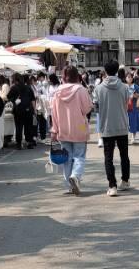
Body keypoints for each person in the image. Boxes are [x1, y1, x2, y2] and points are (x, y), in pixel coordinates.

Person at [50, 66, 93, 196]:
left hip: (63, 129)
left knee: (66, 158)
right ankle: (76, 176)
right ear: (76, 76)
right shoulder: (81, 90)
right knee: (79, 155)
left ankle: (69, 185)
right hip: (79, 127)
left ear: (63, 76)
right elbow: (87, 109)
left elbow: (54, 113)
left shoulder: (57, 92)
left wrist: (54, 129)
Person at [95, 60, 131, 197]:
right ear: (117, 70)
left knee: (108, 157)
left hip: (106, 126)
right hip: (122, 125)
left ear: (105, 70)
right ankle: (126, 180)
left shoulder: (98, 88)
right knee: (124, 155)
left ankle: (112, 185)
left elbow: (96, 107)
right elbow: (127, 105)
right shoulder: (124, 87)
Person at [7, 73, 36, 149]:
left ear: (14, 80)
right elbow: (33, 99)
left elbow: (8, 97)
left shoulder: (14, 87)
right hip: (28, 109)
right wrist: (34, 110)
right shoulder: (28, 87)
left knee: (19, 127)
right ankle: (29, 142)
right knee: (28, 126)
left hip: (18, 110)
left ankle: (19, 144)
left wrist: (13, 99)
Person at [125, 72, 139, 144]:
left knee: (134, 122)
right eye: (128, 77)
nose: (129, 78)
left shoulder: (135, 86)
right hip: (125, 107)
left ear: (132, 78)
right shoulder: (123, 86)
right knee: (126, 122)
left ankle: (133, 137)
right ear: (125, 78)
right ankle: (126, 137)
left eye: (130, 77)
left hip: (134, 107)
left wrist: (136, 96)